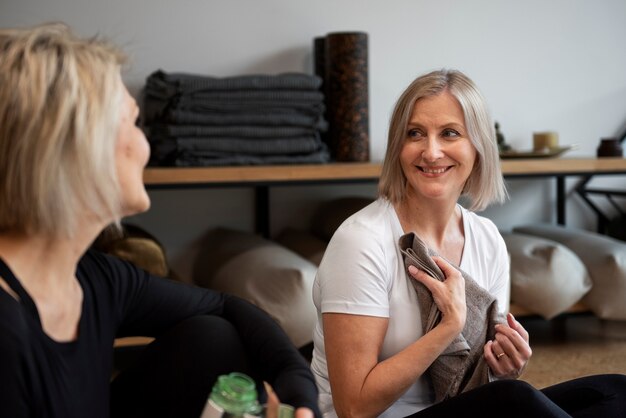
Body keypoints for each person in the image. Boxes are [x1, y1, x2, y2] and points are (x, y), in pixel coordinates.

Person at [0, 23, 320, 418]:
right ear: (77, 146)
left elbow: (225, 307)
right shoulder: (8, 332)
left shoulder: (94, 278)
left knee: (213, 337)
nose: (145, 144)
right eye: (133, 123)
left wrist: (299, 391)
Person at [310, 68, 626, 417]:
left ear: (477, 146)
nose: (431, 152)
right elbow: (354, 406)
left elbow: (478, 379)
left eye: (449, 133)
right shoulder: (361, 242)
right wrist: (447, 328)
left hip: (456, 407)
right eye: (415, 133)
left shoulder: (487, 238)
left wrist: (503, 367)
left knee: (614, 392)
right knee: (517, 400)